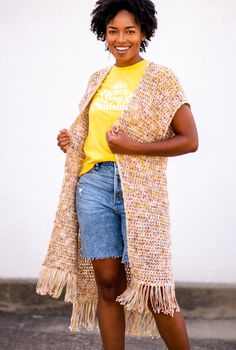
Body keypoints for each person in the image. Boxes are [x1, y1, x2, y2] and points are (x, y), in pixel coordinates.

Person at [37, 1, 198, 349]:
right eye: (113, 31)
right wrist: (72, 140)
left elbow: (190, 140)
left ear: (143, 33)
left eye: (129, 31)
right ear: (103, 34)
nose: (120, 39)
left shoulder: (161, 79)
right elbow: (95, 134)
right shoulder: (98, 78)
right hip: (92, 185)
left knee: (153, 286)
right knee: (107, 284)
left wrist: (132, 147)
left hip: (139, 190)